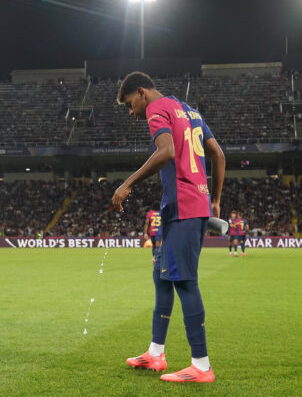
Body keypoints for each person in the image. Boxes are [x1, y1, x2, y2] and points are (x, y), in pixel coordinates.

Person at [112, 71, 225, 383]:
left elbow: (166, 153)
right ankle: (155, 353)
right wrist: (214, 199)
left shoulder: (155, 109)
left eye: (129, 103)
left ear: (141, 93)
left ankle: (201, 366)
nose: (131, 111)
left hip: (186, 207)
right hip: (184, 206)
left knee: (186, 282)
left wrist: (127, 184)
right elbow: (218, 154)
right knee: (162, 277)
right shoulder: (189, 111)